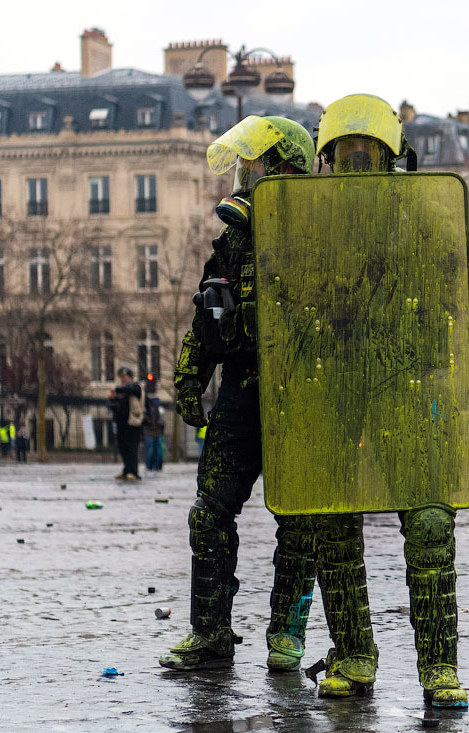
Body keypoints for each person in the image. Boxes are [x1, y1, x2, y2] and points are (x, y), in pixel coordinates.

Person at [299, 94, 467, 708]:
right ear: (329, 159)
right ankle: (355, 655)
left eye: (367, 152)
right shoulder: (308, 224)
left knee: (428, 526)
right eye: (348, 153)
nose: (358, 162)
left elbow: (446, 305)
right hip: (337, 396)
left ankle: (439, 668)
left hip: (405, 392)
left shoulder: (420, 218)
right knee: (333, 530)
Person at [159, 116, 320, 675]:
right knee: (209, 514)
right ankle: (210, 635)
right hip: (242, 397)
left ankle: (286, 635)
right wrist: (189, 377)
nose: (244, 176)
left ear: (285, 169)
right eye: (243, 167)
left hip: (303, 401)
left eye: (253, 165)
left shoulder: (321, 238)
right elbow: (207, 313)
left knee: (299, 522)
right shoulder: (232, 241)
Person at [109, 366, 143, 481]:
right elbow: (115, 406)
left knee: (132, 447)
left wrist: (116, 390)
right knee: (122, 446)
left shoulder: (135, 387)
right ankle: (126, 470)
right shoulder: (121, 391)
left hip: (133, 423)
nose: (123, 379)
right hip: (121, 423)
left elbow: (131, 390)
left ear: (130, 377)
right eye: (121, 377)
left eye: (125, 376)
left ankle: (133, 471)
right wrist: (112, 399)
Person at [142, 381, 165, 472]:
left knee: (156, 449)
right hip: (150, 430)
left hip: (156, 430)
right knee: (151, 449)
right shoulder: (148, 405)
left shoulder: (155, 406)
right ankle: (150, 466)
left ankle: (155, 466)